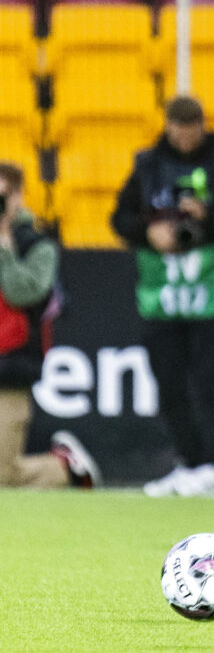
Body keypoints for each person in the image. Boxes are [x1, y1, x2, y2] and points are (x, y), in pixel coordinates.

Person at [112, 96, 214, 497]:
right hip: (163, 296)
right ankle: (189, 462)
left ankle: (213, 465)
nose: (185, 134)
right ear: (169, 125)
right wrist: (149, 231)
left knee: (211, 380)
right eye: (179, 125)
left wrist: (208, 216)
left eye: (192, 126)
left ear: (202, 125)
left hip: (211, 295)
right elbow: (119, 219)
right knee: (168, 380)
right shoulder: (147, 164)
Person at [0, 161, 101, 489]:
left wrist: (3, 244)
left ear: (18, 197)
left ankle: (64, 468)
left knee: (3, 476)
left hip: (9, 371)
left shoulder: (37, 246)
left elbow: (23, 291)